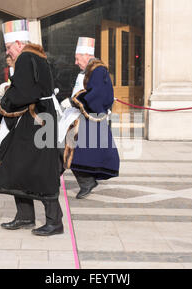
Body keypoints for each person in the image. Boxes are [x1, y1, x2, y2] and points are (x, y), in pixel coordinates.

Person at [0, 19, 63, 237]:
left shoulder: (25, 57)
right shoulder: (38, 56)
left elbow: (24, 93)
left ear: (18, 43)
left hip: (36, 120)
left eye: (8, 48)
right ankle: (25, 216)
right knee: (21, 165)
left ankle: (54, 221)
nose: (8, 53)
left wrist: (6, 98)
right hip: (41, 118)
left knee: (40, 169)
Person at [63, 37, 120, 199]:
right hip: (82, 117)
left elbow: (97, 95)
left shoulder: (98, 70)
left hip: (90, 119)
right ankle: (86, 181)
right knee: (71, 152)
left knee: (74, 153)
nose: (75, 62)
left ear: (86, 55)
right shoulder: (89, 70)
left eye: (77, 58)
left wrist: (75, 101)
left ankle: (87, 182)